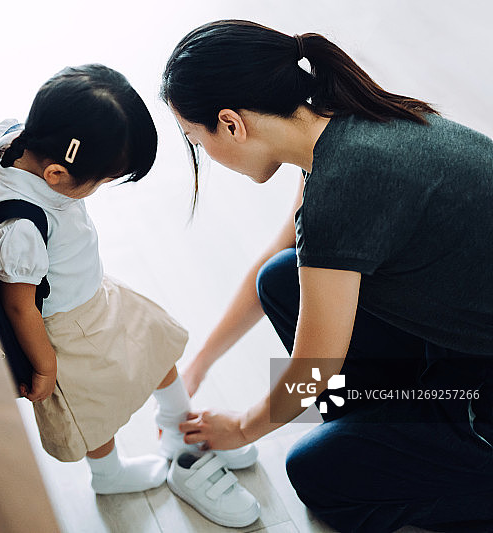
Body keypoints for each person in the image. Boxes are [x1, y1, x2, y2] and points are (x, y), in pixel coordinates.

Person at [160, 19, 493, 533]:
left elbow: (312, 369)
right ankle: (394, 425)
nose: (206, 154)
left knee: (316, 473)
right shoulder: (341, 122)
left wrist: (241, 429)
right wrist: (200, 364)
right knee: (281, 278)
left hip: (481, 387)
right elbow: (285, 253)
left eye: (196, 141)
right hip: (460, 342)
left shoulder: (340, 189)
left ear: (230, 123)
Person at [0, 64, 254, 502]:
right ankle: (108, 473)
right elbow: (18, 306)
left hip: (94, 293)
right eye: (102, 181)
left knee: (155, 340)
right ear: (56, 176)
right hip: (65, 327)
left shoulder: (8, 135)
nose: (102, 187)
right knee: (94, 409)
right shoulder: (20, 232)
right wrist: (45, 366)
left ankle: (179, 425)